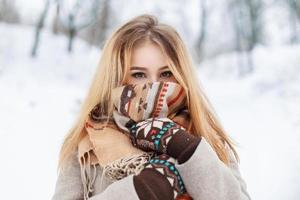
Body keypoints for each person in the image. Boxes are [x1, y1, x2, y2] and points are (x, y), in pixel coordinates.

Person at [51, 14, 252, 200]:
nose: (155, 86)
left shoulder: (207, 138)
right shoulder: (88, 147)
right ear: (116, 78)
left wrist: (188, 149)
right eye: (139, 74)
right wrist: (142, 189)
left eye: (166, 74)